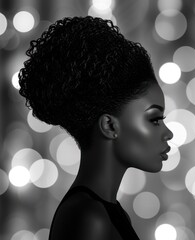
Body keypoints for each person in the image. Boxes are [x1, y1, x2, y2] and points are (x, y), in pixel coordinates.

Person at [18, 16, 173, 240]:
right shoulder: (88, 217)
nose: (168, 133)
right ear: (109, 125)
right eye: (155, 119)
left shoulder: (109, 212)